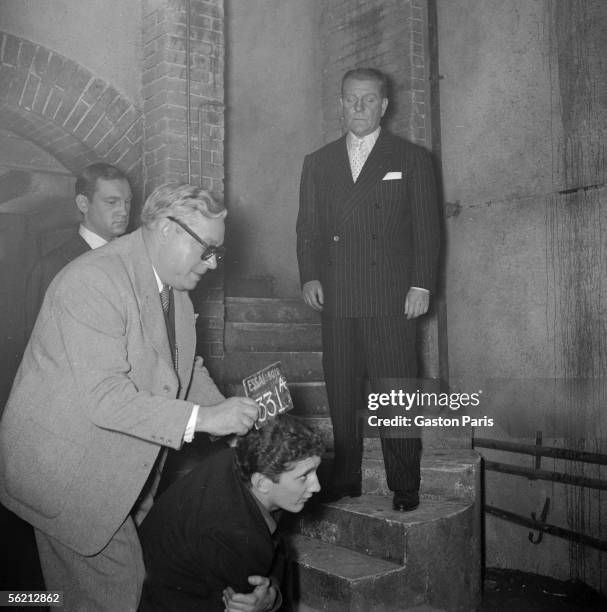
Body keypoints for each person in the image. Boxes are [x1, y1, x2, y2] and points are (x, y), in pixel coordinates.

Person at [0, 183, 260, 610]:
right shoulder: (94, 280)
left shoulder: (172, 286)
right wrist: (206, 419)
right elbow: (105, 398)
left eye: (218, 251)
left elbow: (183, 369)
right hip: (67, 472)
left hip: (119, 469)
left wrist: (231, 420)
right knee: (119, 588)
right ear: (165, 229)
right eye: (207, 249)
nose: (213, 263)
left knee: (87, 595)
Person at [296, 67, 440, 511]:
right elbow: (308, 229)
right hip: (337, 292)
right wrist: (309, 274)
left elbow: (428, 229)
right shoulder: (318, 162)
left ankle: (404, 482)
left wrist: (422, 283)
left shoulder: (411, 158)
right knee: (341, 388)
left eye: (368, 99)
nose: (358, 107)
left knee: (395, 390)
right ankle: (347, 477)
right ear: (341, 103)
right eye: (350, 99)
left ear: (384, 105)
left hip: (392, 295)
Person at [139, 413, 323, 612]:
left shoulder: (240, 459)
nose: (317, 486)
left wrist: (272, 589)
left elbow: (275, 545)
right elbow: (245, 602)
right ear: (261, 482)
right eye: (304, 476)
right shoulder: (241, 537)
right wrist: (271, 601)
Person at [24, 162, 133, 338]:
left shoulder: (135, 260)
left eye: (127, 202)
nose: (123, 211)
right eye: (112, 202)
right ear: (83, 204)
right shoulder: (52, 267)